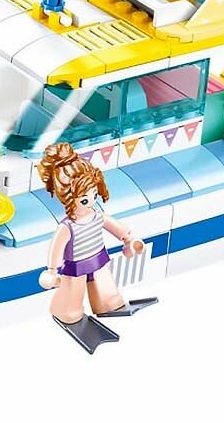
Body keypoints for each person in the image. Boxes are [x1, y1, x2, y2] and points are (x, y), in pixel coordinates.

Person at [37, 142, 147, 337]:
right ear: (67, 197)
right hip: (76, 265)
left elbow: (115, 227)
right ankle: (66, 313)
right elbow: (57, 248)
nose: (91, 201)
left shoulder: (97, 215)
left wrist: (128, 239)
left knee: (106, 287)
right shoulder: (67, 226)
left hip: (98, 258)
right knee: (73, 294)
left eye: (94, 194)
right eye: (85, 199)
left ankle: (109, 304)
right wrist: (52, 271)